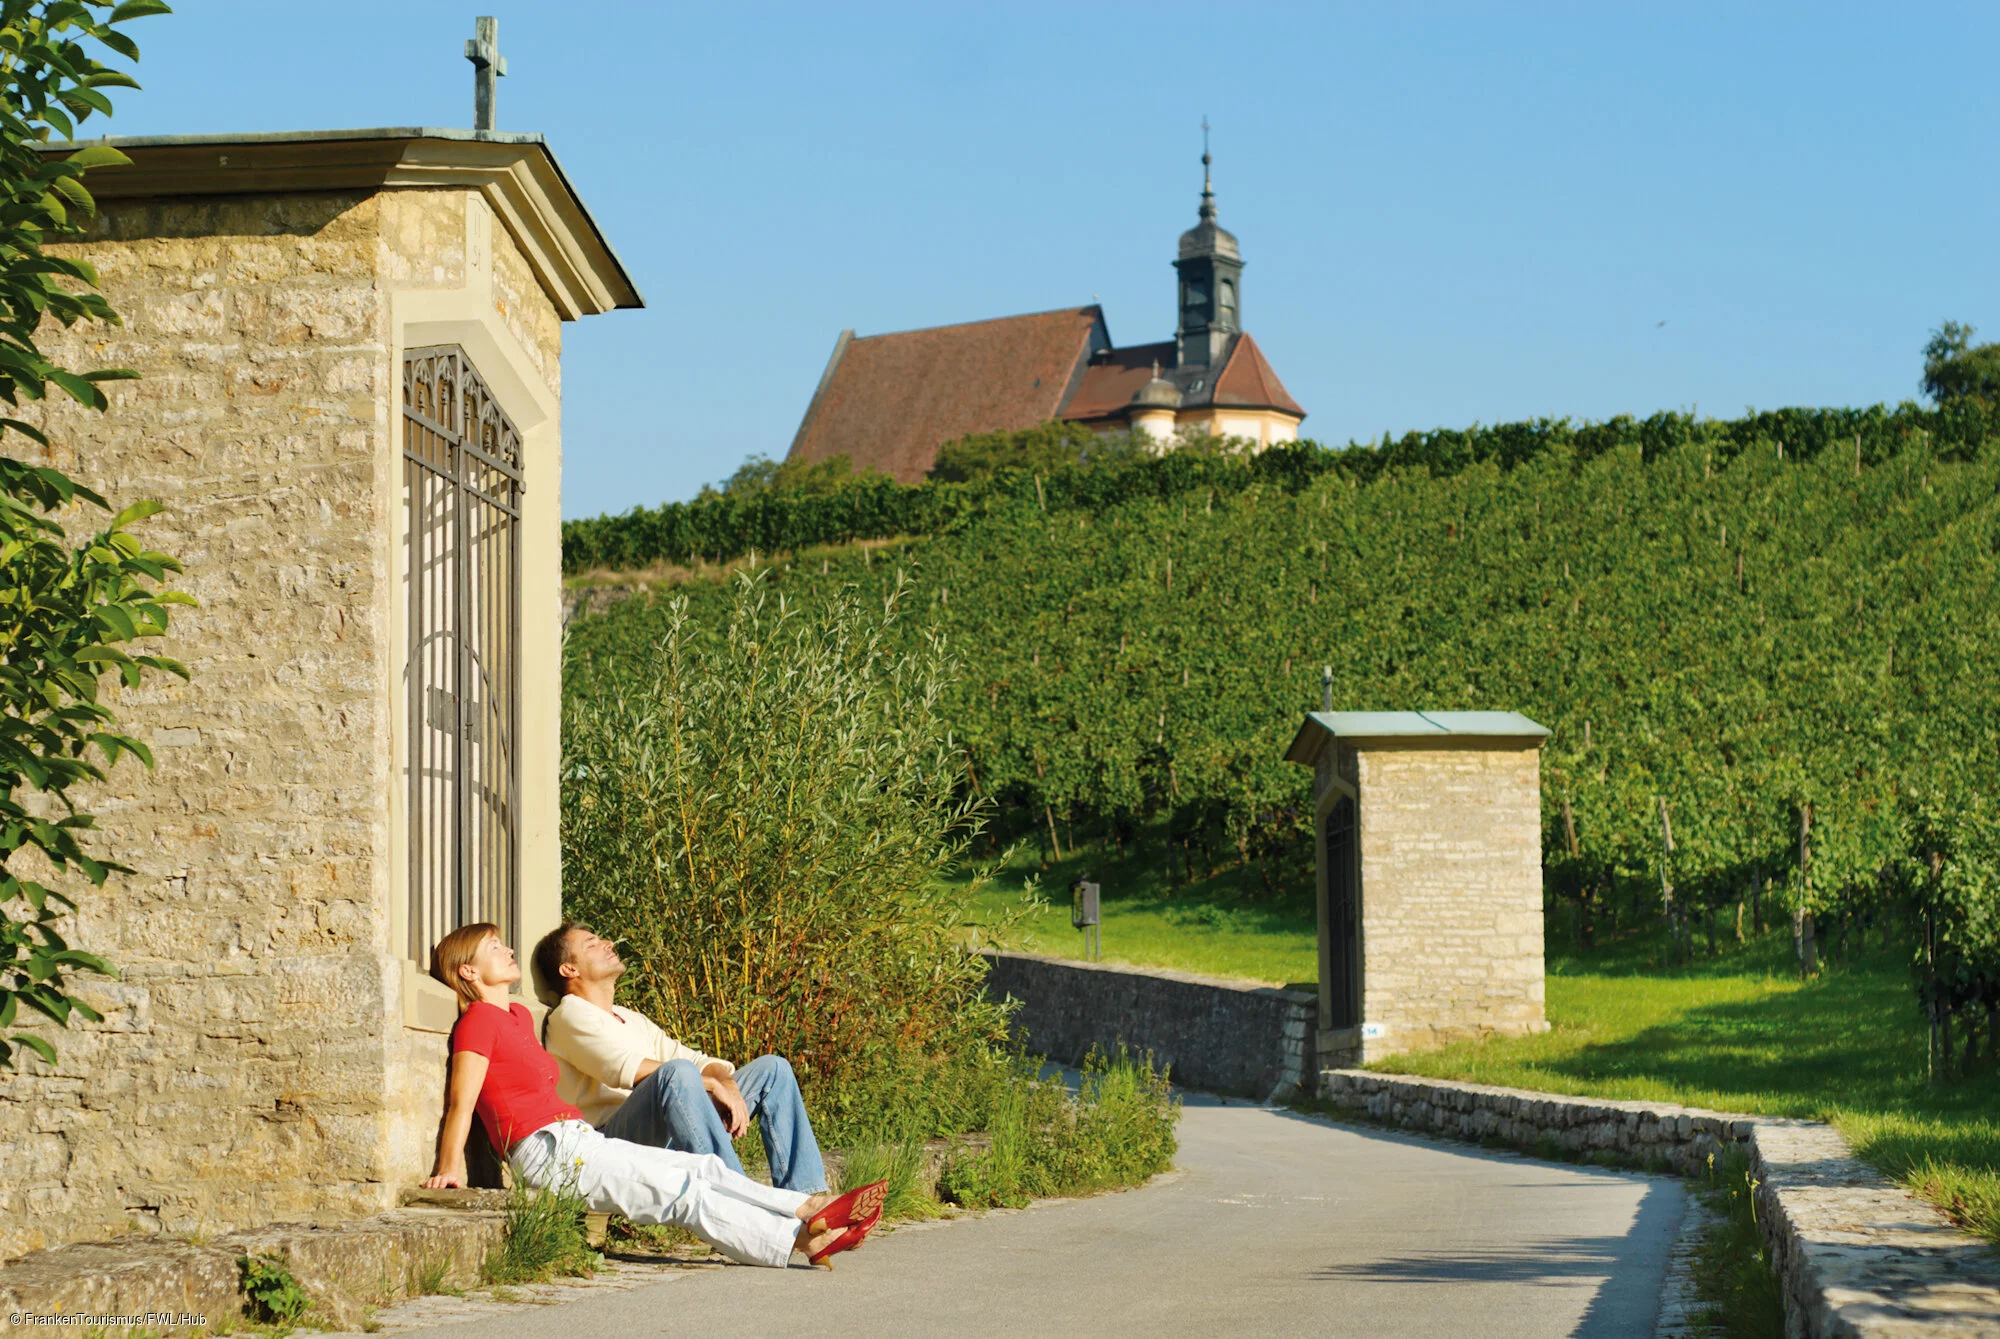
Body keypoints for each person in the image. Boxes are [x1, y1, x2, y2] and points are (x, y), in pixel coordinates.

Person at [420, 922, 883, 1269]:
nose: (508, 950)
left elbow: (692, 1058)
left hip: (576, 1139)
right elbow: (463, 1101)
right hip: (551, 1147)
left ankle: (809, 1218)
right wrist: (449, 1166)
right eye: (494, 947)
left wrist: (723, 1080)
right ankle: (802, 1223)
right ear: (468, 970)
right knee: (683, 1192)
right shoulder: (485, 1020)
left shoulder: (518, 1018)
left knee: (700, 1170)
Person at [532, 922, 827, 1193]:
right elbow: (625, 1069)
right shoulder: (569, 1014)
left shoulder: (628, 1017)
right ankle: (740, 1200)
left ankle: (807, 1199)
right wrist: (710, 1085)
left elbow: (698, 1060)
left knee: (773, 1069)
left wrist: (726, 1083)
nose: (607, 943)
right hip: (614, 1142)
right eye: (592, 944)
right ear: (569, 969)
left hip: (670, 1126)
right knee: (678, 1073)